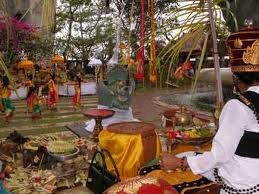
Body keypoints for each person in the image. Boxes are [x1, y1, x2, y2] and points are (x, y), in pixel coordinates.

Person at [161, 28, 259, 193]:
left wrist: (179, 163)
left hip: (243, 184)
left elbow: (220, 156)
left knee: (180, 159)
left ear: (235, 77)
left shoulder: (238, 106)